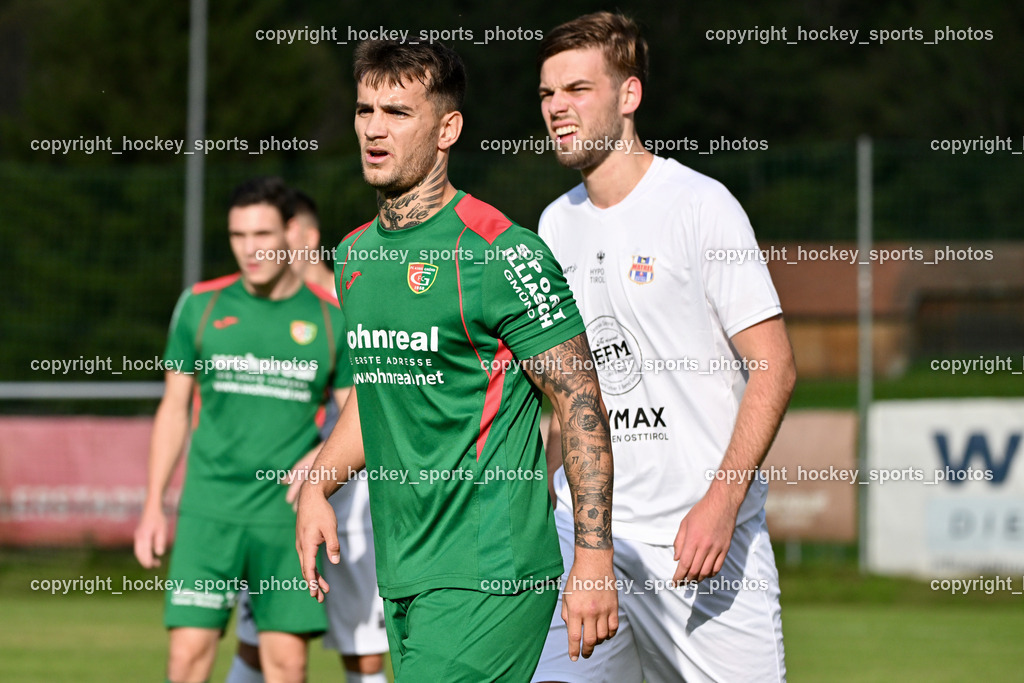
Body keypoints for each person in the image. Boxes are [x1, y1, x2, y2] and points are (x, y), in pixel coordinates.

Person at [295, 40, 618, 681]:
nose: (375, 130)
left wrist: (593, 558)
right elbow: (379, 390)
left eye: (398, 112)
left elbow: (579, 400)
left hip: (489, 572)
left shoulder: (499, 252)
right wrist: (316, 484)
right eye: (365, 111)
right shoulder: (356, 257)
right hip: (405, 571)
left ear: (448, 128)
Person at [532, 12, 795, 683]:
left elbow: (775, 366)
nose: (558, 108)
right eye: (547, 94)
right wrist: (552, 500)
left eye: (578, 89)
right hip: (589, 542)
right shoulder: (554, 225)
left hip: (703, 547)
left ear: (629, 95)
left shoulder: (700, 206)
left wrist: (722, 502)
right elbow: (566, 394)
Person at [134, 176, 349, 683]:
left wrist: (322, 455)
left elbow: (362, 414)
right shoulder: (200, 305)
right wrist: (151, 506)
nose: (250, 250)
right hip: (209, 509)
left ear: (291, 233)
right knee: (186, 659)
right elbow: (173, 410)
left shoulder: (332, 318)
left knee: (287, 665)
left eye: (262, 235)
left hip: (285, 516)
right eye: (238, 236)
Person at [227, 190, 389, 683]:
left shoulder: (354, 299)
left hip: (355, 504)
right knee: (261, 644)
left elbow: (379, 402)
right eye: (248, 235)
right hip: (280, 507)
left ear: (305, 236)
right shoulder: (263, 306)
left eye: (273, 234)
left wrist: (322, 456)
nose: (259, 249)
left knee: (363, 652)